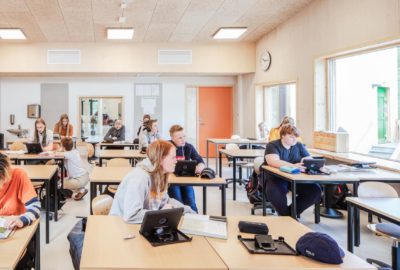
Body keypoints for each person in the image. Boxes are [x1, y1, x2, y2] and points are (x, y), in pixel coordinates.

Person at [109, 140, 195, 223]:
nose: (176, 161)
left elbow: (166, 201)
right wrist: (161, 214)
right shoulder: (139, 178)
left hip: (140, 225)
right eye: (173, 157)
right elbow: (132, 215)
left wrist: (190, 212)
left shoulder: (159, 175)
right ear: (161, 158)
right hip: (121, 228)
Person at [264, 124, 321, 216]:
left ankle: (291, 213)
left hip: (295, 178)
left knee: (315, 190)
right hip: (276, 178)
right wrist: (293, 166)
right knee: (275, 192)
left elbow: (308, 158)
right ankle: (285, 215)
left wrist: (306, 161)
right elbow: (273, 161)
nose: (294, 139)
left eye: (296, 137)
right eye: (291, 137)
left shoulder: (298, 145)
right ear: (282, 135)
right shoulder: (272, 145)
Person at [0, 154, 40, 268]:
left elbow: (35, 207)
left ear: (4, 174)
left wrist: (22, 219)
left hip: (15, 232)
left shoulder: (18, 175)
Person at [168, 125, 205, 212]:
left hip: (186, 178)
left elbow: (200, 161)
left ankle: (194, 218)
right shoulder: (167, 146)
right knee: (178, 201)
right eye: (180, 138)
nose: (183, 139)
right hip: (172, 180)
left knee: (190, 201)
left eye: (184, 136)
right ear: (172, 138)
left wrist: (200, 167)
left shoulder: (189, 147)